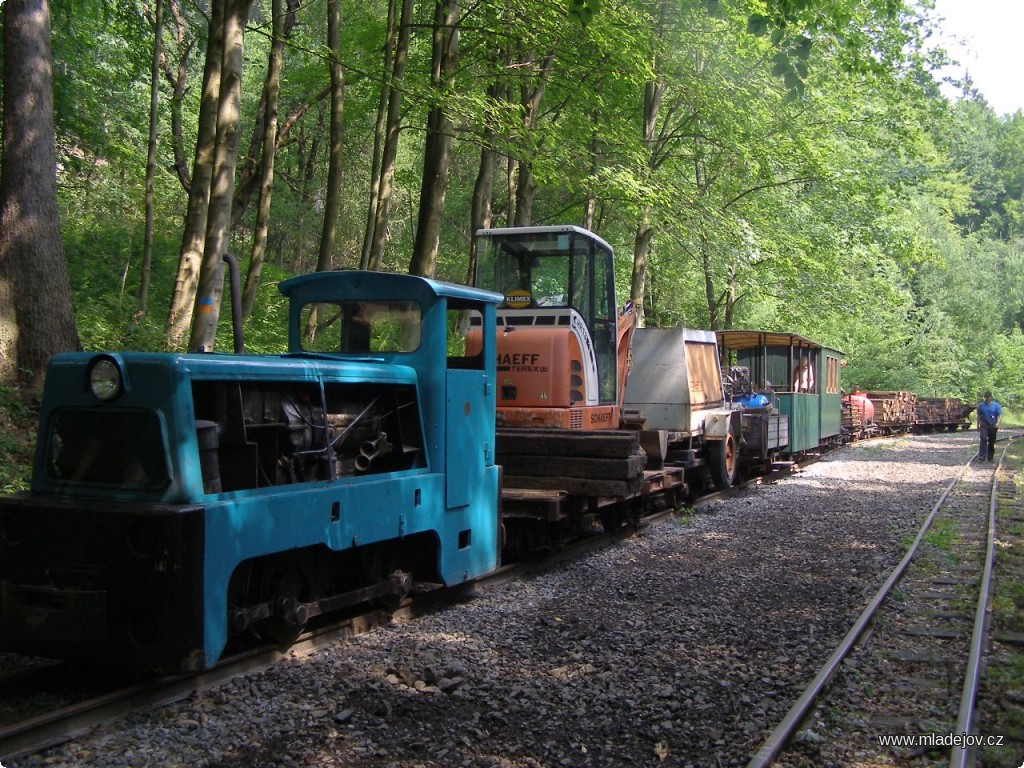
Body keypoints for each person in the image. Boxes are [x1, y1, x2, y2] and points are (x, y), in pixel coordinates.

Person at [976, 390, 1003, 462]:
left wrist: (997, 423)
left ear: (991, 397)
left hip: (993, 425)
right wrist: (977, 425)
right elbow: (978, 416)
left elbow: (999, 415)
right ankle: (982, 456)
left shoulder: (996, 405)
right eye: (985, 397)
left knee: (991, 441)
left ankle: (990, 457)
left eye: (988, 397)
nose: (986, 399)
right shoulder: (981, 406)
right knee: (983, 438)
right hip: (984, 425)